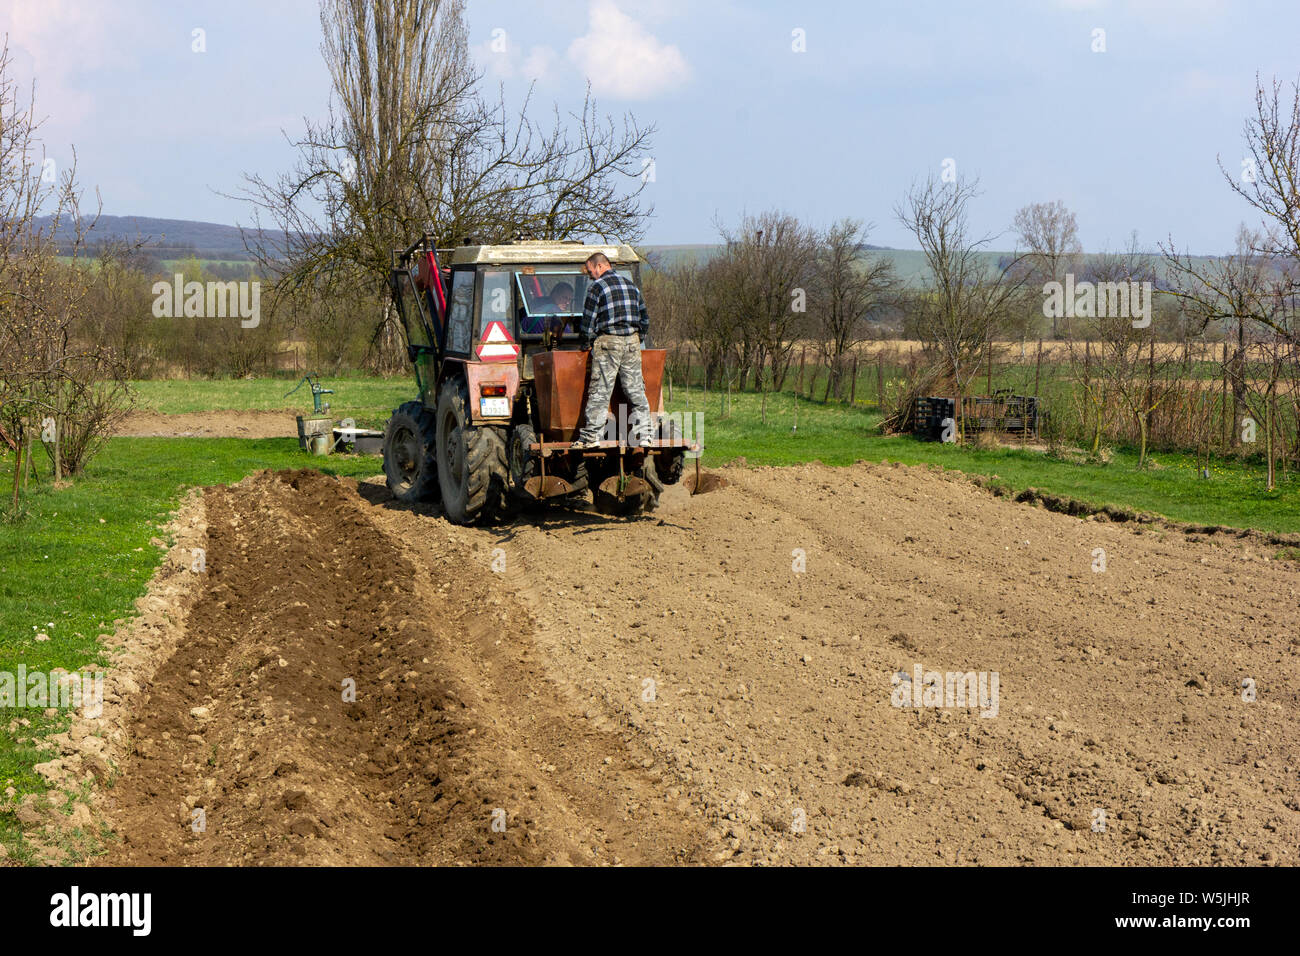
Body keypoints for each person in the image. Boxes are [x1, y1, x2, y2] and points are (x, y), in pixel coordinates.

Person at [570, 253, 652, 449]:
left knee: (600, 391)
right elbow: (645, 319)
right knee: (636, 390)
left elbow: (588, 322)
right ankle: (646, 435)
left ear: (599, 266)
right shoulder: (631, 286)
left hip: (608, 343)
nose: (590, 275)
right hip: (632, 343)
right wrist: (637, 339)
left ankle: (591, 438)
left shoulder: (597, 287)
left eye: (590, 270)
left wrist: (585, 343)